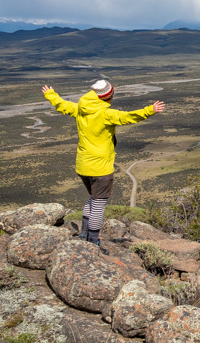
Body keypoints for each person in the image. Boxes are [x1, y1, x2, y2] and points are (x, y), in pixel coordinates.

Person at [41, 79, 165, 247]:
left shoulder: (80, 109)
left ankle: (84, 234)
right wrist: (150, 110)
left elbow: (62, 105)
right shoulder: (106, 114)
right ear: (107, 97)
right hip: (100, 168)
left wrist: (50, 94)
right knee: (98, 204)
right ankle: (92, 241)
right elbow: (127, 117)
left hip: (83, 166)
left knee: (93, 199)